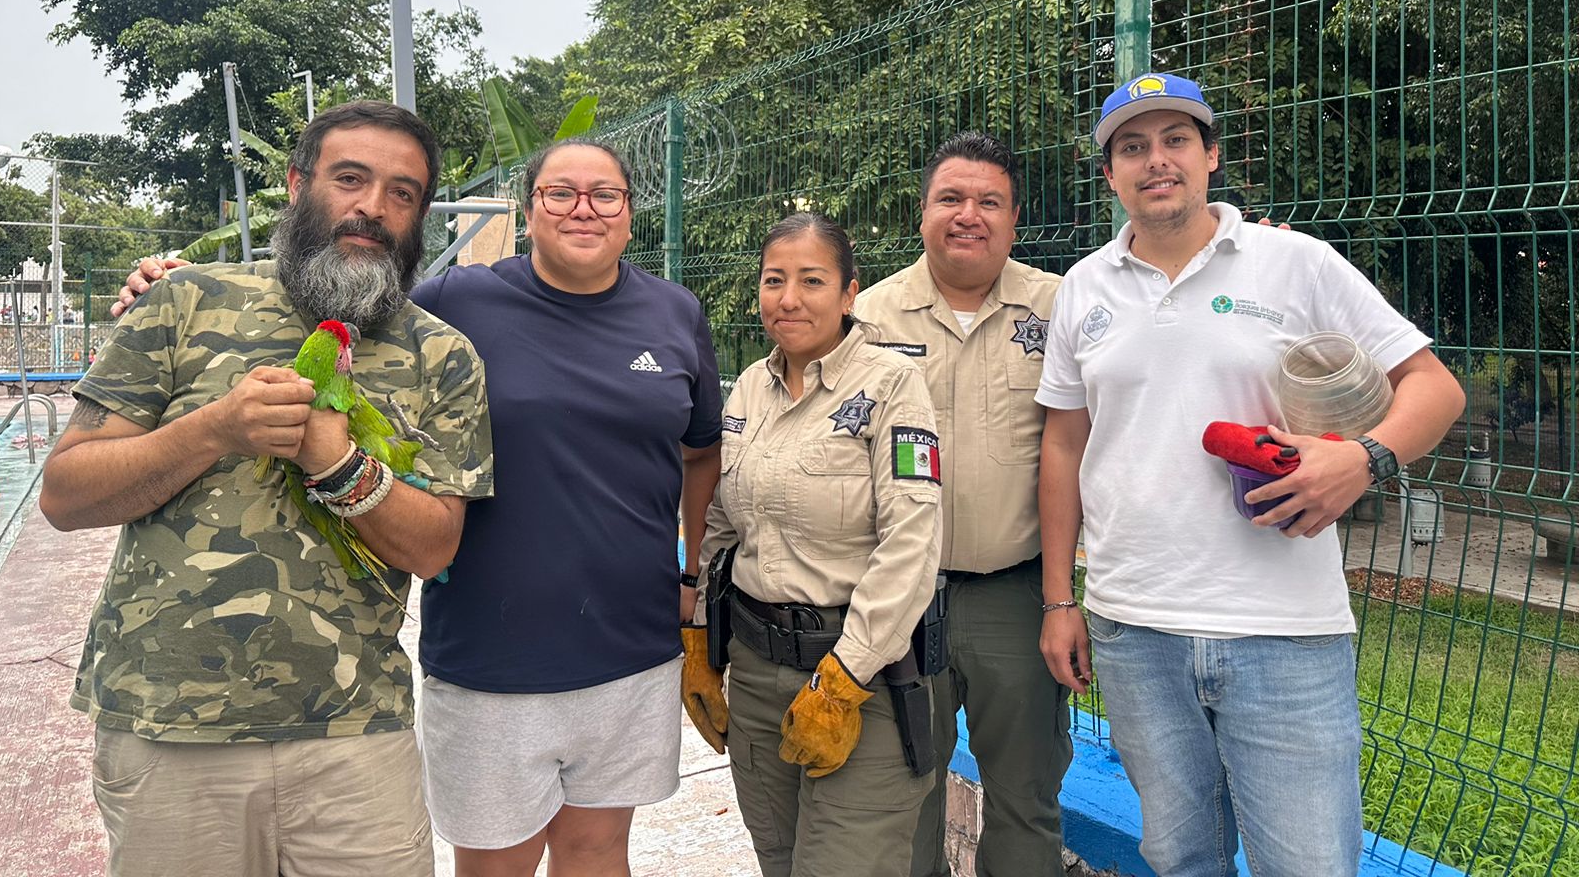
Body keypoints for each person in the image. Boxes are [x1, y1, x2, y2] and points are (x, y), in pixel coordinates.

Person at [113, 136, 723, 877]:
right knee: (497, 860)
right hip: (492, 649)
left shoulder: (675, 313)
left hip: (632, 643)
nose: (583, 209)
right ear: (528, 212)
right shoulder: (458, 302)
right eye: (559, 193)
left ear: (631, 213)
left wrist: (689, 578)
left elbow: (699, 452)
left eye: (606, 195)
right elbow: (327, 300)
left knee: (598, 851)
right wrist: (168, 288)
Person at [43, 100, 494, 877]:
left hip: (355, 736)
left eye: (402, 193)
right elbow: (65, 494)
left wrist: (340, 463)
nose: (372, 208)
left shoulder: (442, 356)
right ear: (296, 185)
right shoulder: (184, 303)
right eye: (350, 178)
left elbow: (434, 546)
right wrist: (214, 429)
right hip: (167, 730)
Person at [1035, 74, 1465, 877]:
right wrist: (1062, 599)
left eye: (1175, 141)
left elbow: (1434, 387)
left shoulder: (1295, 263)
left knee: (1308, 865)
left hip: (1286, 633)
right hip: (1134, 629)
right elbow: (1063, 446)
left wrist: (1363, 458)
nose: (1155, 160)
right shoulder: (1082, 290)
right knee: (1180, 858)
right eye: (1132, 147)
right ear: (1109, 174)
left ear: (1211, 156)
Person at [686, 212, 943, 877]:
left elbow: (911, 543)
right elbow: (721, 524)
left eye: (812, 280)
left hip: (863, 679)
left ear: (850, 293)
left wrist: (843, 679)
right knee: (779, 860)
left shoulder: (892, 384)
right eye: (775, 281)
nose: (789, 298)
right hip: (756, 673)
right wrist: (697, 641)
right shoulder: (749, 386)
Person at [852, 132, 1071, 877]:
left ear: (1014, 220)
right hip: (898, 603)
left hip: (1017, 595)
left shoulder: (1059, 308)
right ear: (922, 214)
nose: (967, 215)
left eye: (988, 202)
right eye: (950, 198)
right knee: (902, 797)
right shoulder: (870, 320)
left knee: (1026, 798)